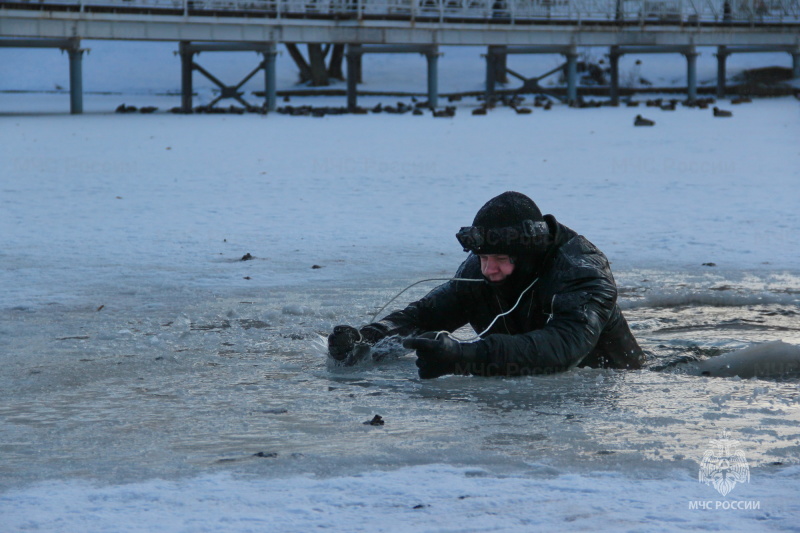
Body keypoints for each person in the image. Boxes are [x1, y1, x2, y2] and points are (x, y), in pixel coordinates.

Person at [328, 191, 645, 379]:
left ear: (527, 254)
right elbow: (423, 316)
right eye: (481, 257)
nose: (488, 269)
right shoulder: (481, 270)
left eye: (500, 258)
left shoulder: (582, 273)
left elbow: (562, 349)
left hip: (610, 389)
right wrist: (366, 338)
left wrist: (462, 357)